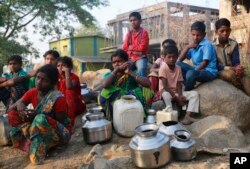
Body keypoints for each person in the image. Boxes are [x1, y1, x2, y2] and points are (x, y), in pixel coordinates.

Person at [7, 64, 71, 165]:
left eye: (44, 80)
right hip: (37, 128)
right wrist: (20, 104)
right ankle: (39, 143)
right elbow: (11, 108)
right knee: (12, 115)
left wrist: (38, 114)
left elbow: (61, 122)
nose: (39, 82)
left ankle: (48, 145)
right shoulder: (33, 92)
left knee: (40, 119)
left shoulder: (58, 97)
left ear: (52, 83)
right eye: (38, 78)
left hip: (59, 133)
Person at [99, 49, 154, 121]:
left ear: (126, 62)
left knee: (148, 90)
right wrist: (116, 70)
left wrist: (131, 74)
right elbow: (104, 85)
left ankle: (143, 115)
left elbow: (148, 83)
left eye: (119, 61)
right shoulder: (110, 75)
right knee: (105, 92)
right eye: (114, 62)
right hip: (118, 104)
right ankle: (112, 118)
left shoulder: (132, 73)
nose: (116, 64)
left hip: (132, 102)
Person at [159, 45, 199, 125]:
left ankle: (187, 116)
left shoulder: (178, 68)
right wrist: (176, 98)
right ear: (164, 58)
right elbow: (165, 86)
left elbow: (179, 84)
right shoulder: (163, 68)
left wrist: (180, 95)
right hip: (167, 92)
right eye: (169, 57)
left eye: (174, 57)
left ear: (177, 57)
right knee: (166, 95)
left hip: (176, 92)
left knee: (195, 94)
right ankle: (170, 115)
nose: (171, 59)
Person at [177, 21, 218, 91]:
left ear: (204, 34)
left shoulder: (207, 45)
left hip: (208, 72)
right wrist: (187, 47)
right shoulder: (193, 45)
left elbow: (205, 63)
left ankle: (187, 91)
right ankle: (189, 84)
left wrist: (194, 72)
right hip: (197, 70)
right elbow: (179, 60)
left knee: (190, 73)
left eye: (198, 35)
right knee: (176, 64)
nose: (195, 37)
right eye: (193, 35)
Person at [213, 18, 250, 96]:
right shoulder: (211, 46)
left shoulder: (234, 44)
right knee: (230, 75)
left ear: (230, 30)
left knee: (246, 79)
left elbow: (236, 61)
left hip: (233, 70)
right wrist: (230, 68)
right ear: (216, 32)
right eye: (222, 31)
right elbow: (214, 65)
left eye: (227, 30)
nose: (225, 33)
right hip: (219, 70)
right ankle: (242, 92)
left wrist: (238, 68)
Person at [57, 56, 86, 128]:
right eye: (58, 66)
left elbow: (69, 87)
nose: (60, 68)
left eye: (63, 65)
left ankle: (70, 123)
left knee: (69, 92)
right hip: (63, 107)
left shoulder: (74, 77)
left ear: (69, 67)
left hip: (76, 106)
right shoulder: (58, 78)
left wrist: (67, 72)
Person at [122, 11, 149, 77]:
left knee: (141, 68)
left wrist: (131, 48)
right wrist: (134, 51)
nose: (132, 22)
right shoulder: (129, 34)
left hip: (141, 57)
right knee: (123, 69)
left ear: (140, 21)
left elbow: (142, 48)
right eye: (131, 20)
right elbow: (124, 48)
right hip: (130, 58)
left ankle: (142, 86)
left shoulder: (144, 32)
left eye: (134, 20)